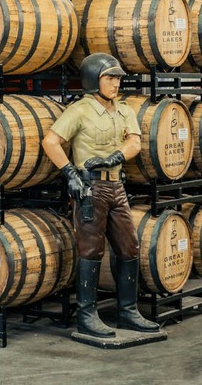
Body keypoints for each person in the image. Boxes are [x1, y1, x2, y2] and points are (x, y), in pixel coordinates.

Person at [42, 53, 161, 339]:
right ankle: (87, 316)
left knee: (129, 246)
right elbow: (51, 141)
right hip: (90, 188)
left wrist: (114, 157)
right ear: (93, 80)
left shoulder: (123, 110)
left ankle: (128, 311)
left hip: (116, 187)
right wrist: (70, 172)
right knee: (91, 250)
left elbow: (135, 141)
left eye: (118, 78)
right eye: (110, 77)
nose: (116, 83)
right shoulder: (80, 110)